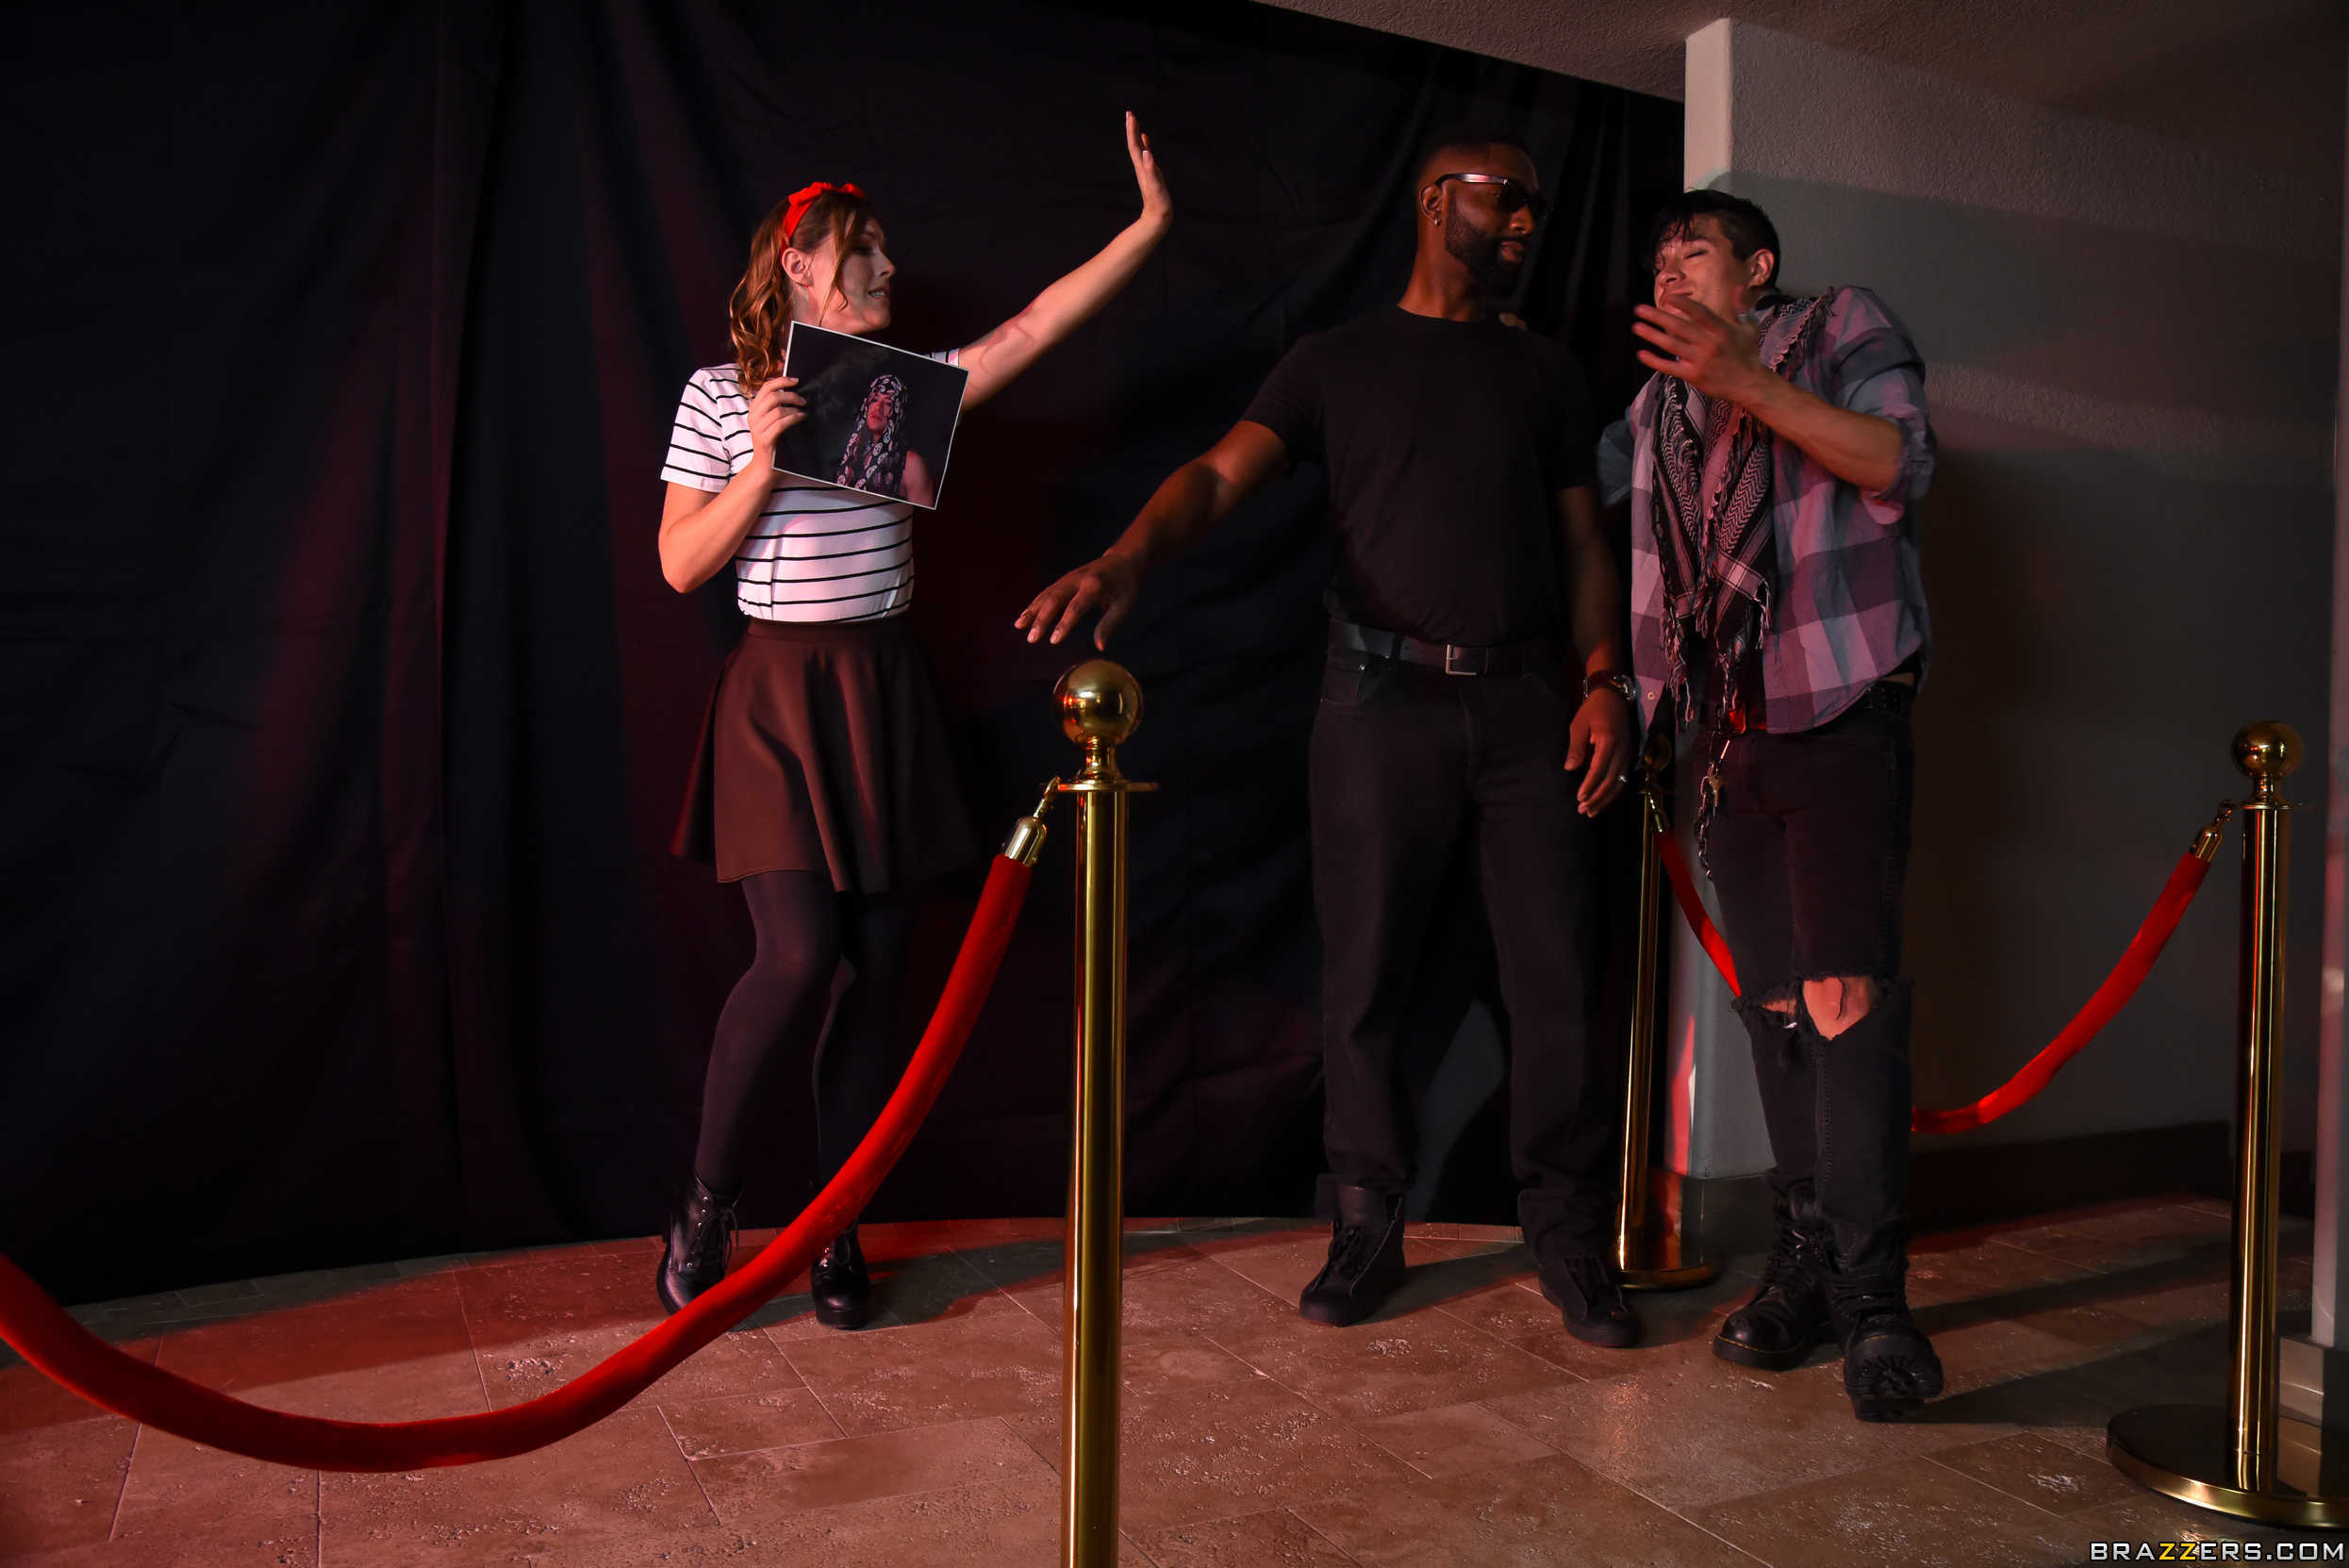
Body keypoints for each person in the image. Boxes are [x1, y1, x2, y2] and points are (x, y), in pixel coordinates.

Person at [1018, 128, 1643, 1345]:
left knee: (1557, 978)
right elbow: (1216, 476)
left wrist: (1604, 678)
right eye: (1503, 198)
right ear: (1433, 201)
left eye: (1536, 205)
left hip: (1528, 706)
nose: (1526, 221)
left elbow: (1582, 541)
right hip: (1375, 704)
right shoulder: (1334, 362)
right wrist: (1129, 555)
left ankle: (1569, 1233)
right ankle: (1364, 1222)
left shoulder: (1544, 373)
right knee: (1362, 976)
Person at [653, 113, 1172, 1326]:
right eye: (865, 250)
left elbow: (1032, 328)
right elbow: (680, 566)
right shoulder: (718, 394)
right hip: (776, 696)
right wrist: (761, 466)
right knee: (797, 956)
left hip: (880, 691)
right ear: (799, 265)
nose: (888, 266)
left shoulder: (905, 393)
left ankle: (835, 1223)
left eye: (886, 248)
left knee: (878, 971)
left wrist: (1148, 228)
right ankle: (706, 1206)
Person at [1596, 190, 1938, 1420]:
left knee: (1846, 1001)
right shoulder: (1655, 406)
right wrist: (1625, 698)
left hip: (1840, 703)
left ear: (1756, 269)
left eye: (1692, 249)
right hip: (1726, 729)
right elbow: (1607, 522)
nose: (1668, 269)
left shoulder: (1837, 325)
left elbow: (1896, 462)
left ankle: (1875, 1299)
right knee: (1777, 1009)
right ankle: (1805, 1264)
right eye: (1656, 256)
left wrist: (1747, 381)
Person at [835, 373, 932, 505]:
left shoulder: (910, 463)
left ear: (898, 410)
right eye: (874, 399)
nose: (878, 408)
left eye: (888, 403)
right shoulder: (852, 451)